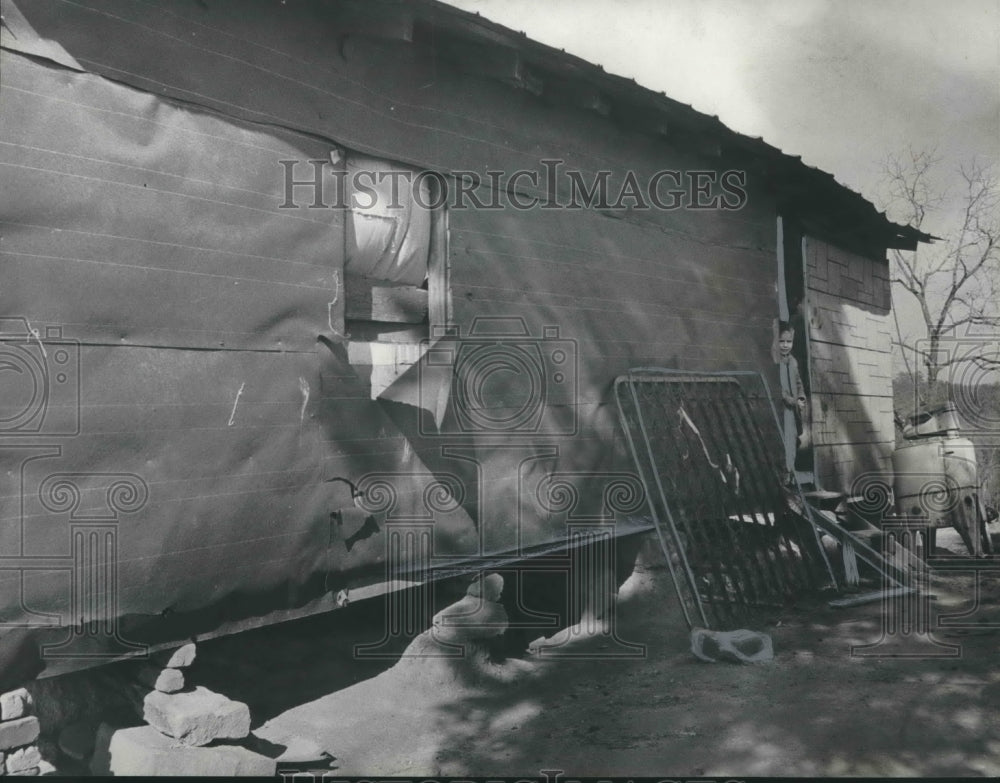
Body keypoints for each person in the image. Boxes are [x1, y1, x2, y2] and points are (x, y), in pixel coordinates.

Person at [772, 319, 807, 479]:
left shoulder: (793, 362)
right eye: (782, 341)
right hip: (783, 408)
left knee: (793, 438)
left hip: (793, 410)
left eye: (789, 341)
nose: (785, 345)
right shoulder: (776, 362)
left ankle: (791, 470)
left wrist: (801, 397)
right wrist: (793, 401)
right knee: (783, 439)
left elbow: (799, 382)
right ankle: (785, 472)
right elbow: (780, 392)